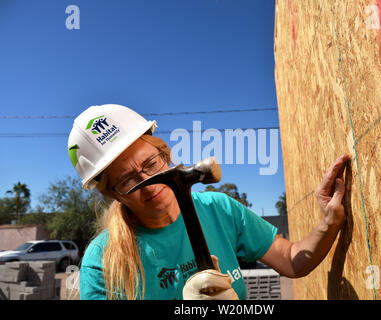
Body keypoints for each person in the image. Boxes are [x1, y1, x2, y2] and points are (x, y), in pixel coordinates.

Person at [68, 104, 349, 300]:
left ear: (165, 153)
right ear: (113, 194)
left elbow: (291, 262)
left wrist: (328, 222)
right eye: (129, 180)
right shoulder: (102, 262)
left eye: (151, 163)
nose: (149, 182)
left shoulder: (219, 209)